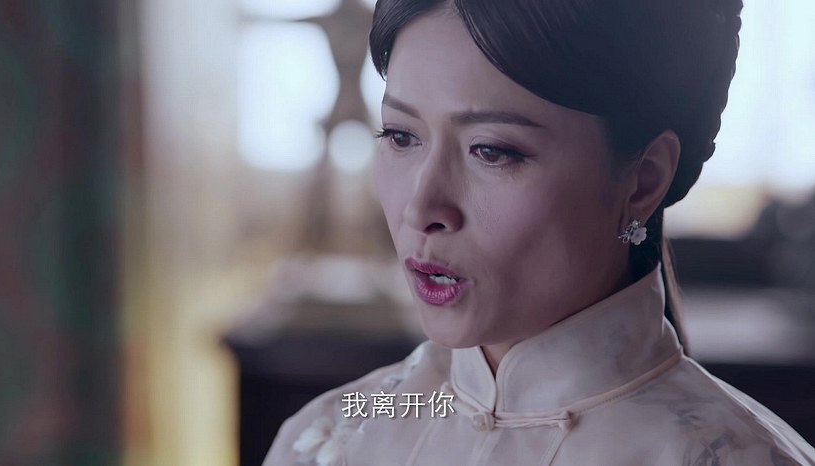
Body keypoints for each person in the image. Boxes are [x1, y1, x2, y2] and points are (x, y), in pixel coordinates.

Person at [264, 0, 815, 464]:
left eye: (491, 151)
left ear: (644, 179)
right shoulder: (325, 441)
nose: (421, 208)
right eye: (401, 136)